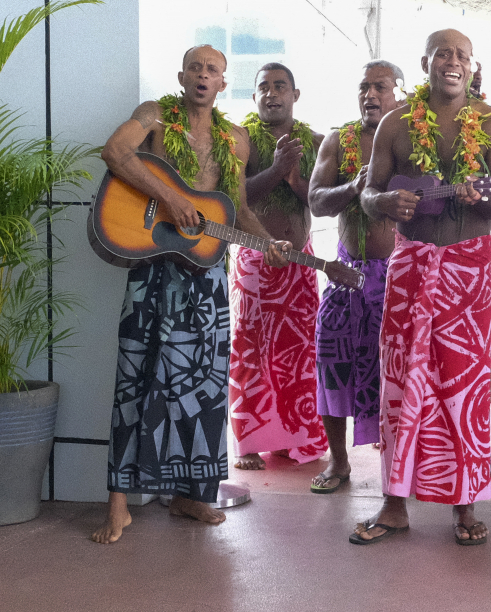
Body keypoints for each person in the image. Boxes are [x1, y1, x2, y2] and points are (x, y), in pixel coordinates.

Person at [91, 45, 290, 544]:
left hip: (206, 273)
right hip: (152, 264)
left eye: (213, 70)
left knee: (202, 383)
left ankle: (189, 494)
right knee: (135, 375)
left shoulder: (236, 139)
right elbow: (114, 153)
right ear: (182, 75)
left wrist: (269, 242)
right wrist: (171, 198)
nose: (203, 75)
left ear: (224, 83)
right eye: (196, 67)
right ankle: (117, 502)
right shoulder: (155, 116)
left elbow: (237, 210)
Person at [351, 29, 491, 546]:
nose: (452, 62)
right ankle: (394, 503)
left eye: (461, 55)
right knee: (400, 382)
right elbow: (368, 190)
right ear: (425, 62)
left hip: (468, 269)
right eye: (442, 53)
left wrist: (479, 201)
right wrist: (381, 204)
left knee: (463, 385)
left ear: (472, 65)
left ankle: (464, 505)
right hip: (410, 265)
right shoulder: (397, 125)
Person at [307, 60, 403, 493]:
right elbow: (315, 200)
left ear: (399, 93)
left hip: (400, 277)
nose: (370, 95)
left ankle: (401, 469)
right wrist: (352, 188)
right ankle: (338, 462)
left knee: (399, 374)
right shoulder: (338, 140)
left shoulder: (411, 139)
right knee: (332, 366)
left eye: (380, 87)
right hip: (347, 275)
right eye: (364, 87)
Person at [229, 62, 328, 471]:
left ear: (295, 94)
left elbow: (322, 201)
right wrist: (274, 170)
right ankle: (249, 443)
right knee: (249, 348)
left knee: (300, 352)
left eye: (280, 86)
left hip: (299, 261)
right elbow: (235, 199)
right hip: (253, 258)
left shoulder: (318, 142)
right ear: (254, 97)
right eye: (263, 87)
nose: (272, 94)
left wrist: (293, 180)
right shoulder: (240, 140)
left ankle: (292, 438)